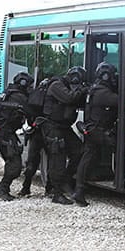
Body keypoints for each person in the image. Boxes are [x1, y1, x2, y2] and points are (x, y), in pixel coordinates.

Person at [38, 66, 89, 205]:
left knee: (79, 151)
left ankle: (65, 180)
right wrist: (83, 90)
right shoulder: (56, 85)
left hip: (64, 127)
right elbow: (69, 98)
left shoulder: (68, 86)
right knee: (58, 159)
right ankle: (56, 193)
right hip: (52, 126)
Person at [73, 62, 118, 206]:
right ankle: (79, 192)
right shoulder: (103, 92)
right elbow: (121, 101)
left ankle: (80, 189)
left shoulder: (95, 89)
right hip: (97, 131)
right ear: (106, 76)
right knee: (117, 146)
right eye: (112, 76)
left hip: (93, 129)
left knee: (89, 156)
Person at [0, 72, 33, 200]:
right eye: (29, 86)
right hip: (5, 133)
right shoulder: (18, 96)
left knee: (13, 161)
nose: (30, 88)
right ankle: (1, 189)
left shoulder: (10, 93)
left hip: (5, 132)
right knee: (15, 164)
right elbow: (30, 111)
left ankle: (3, 188)